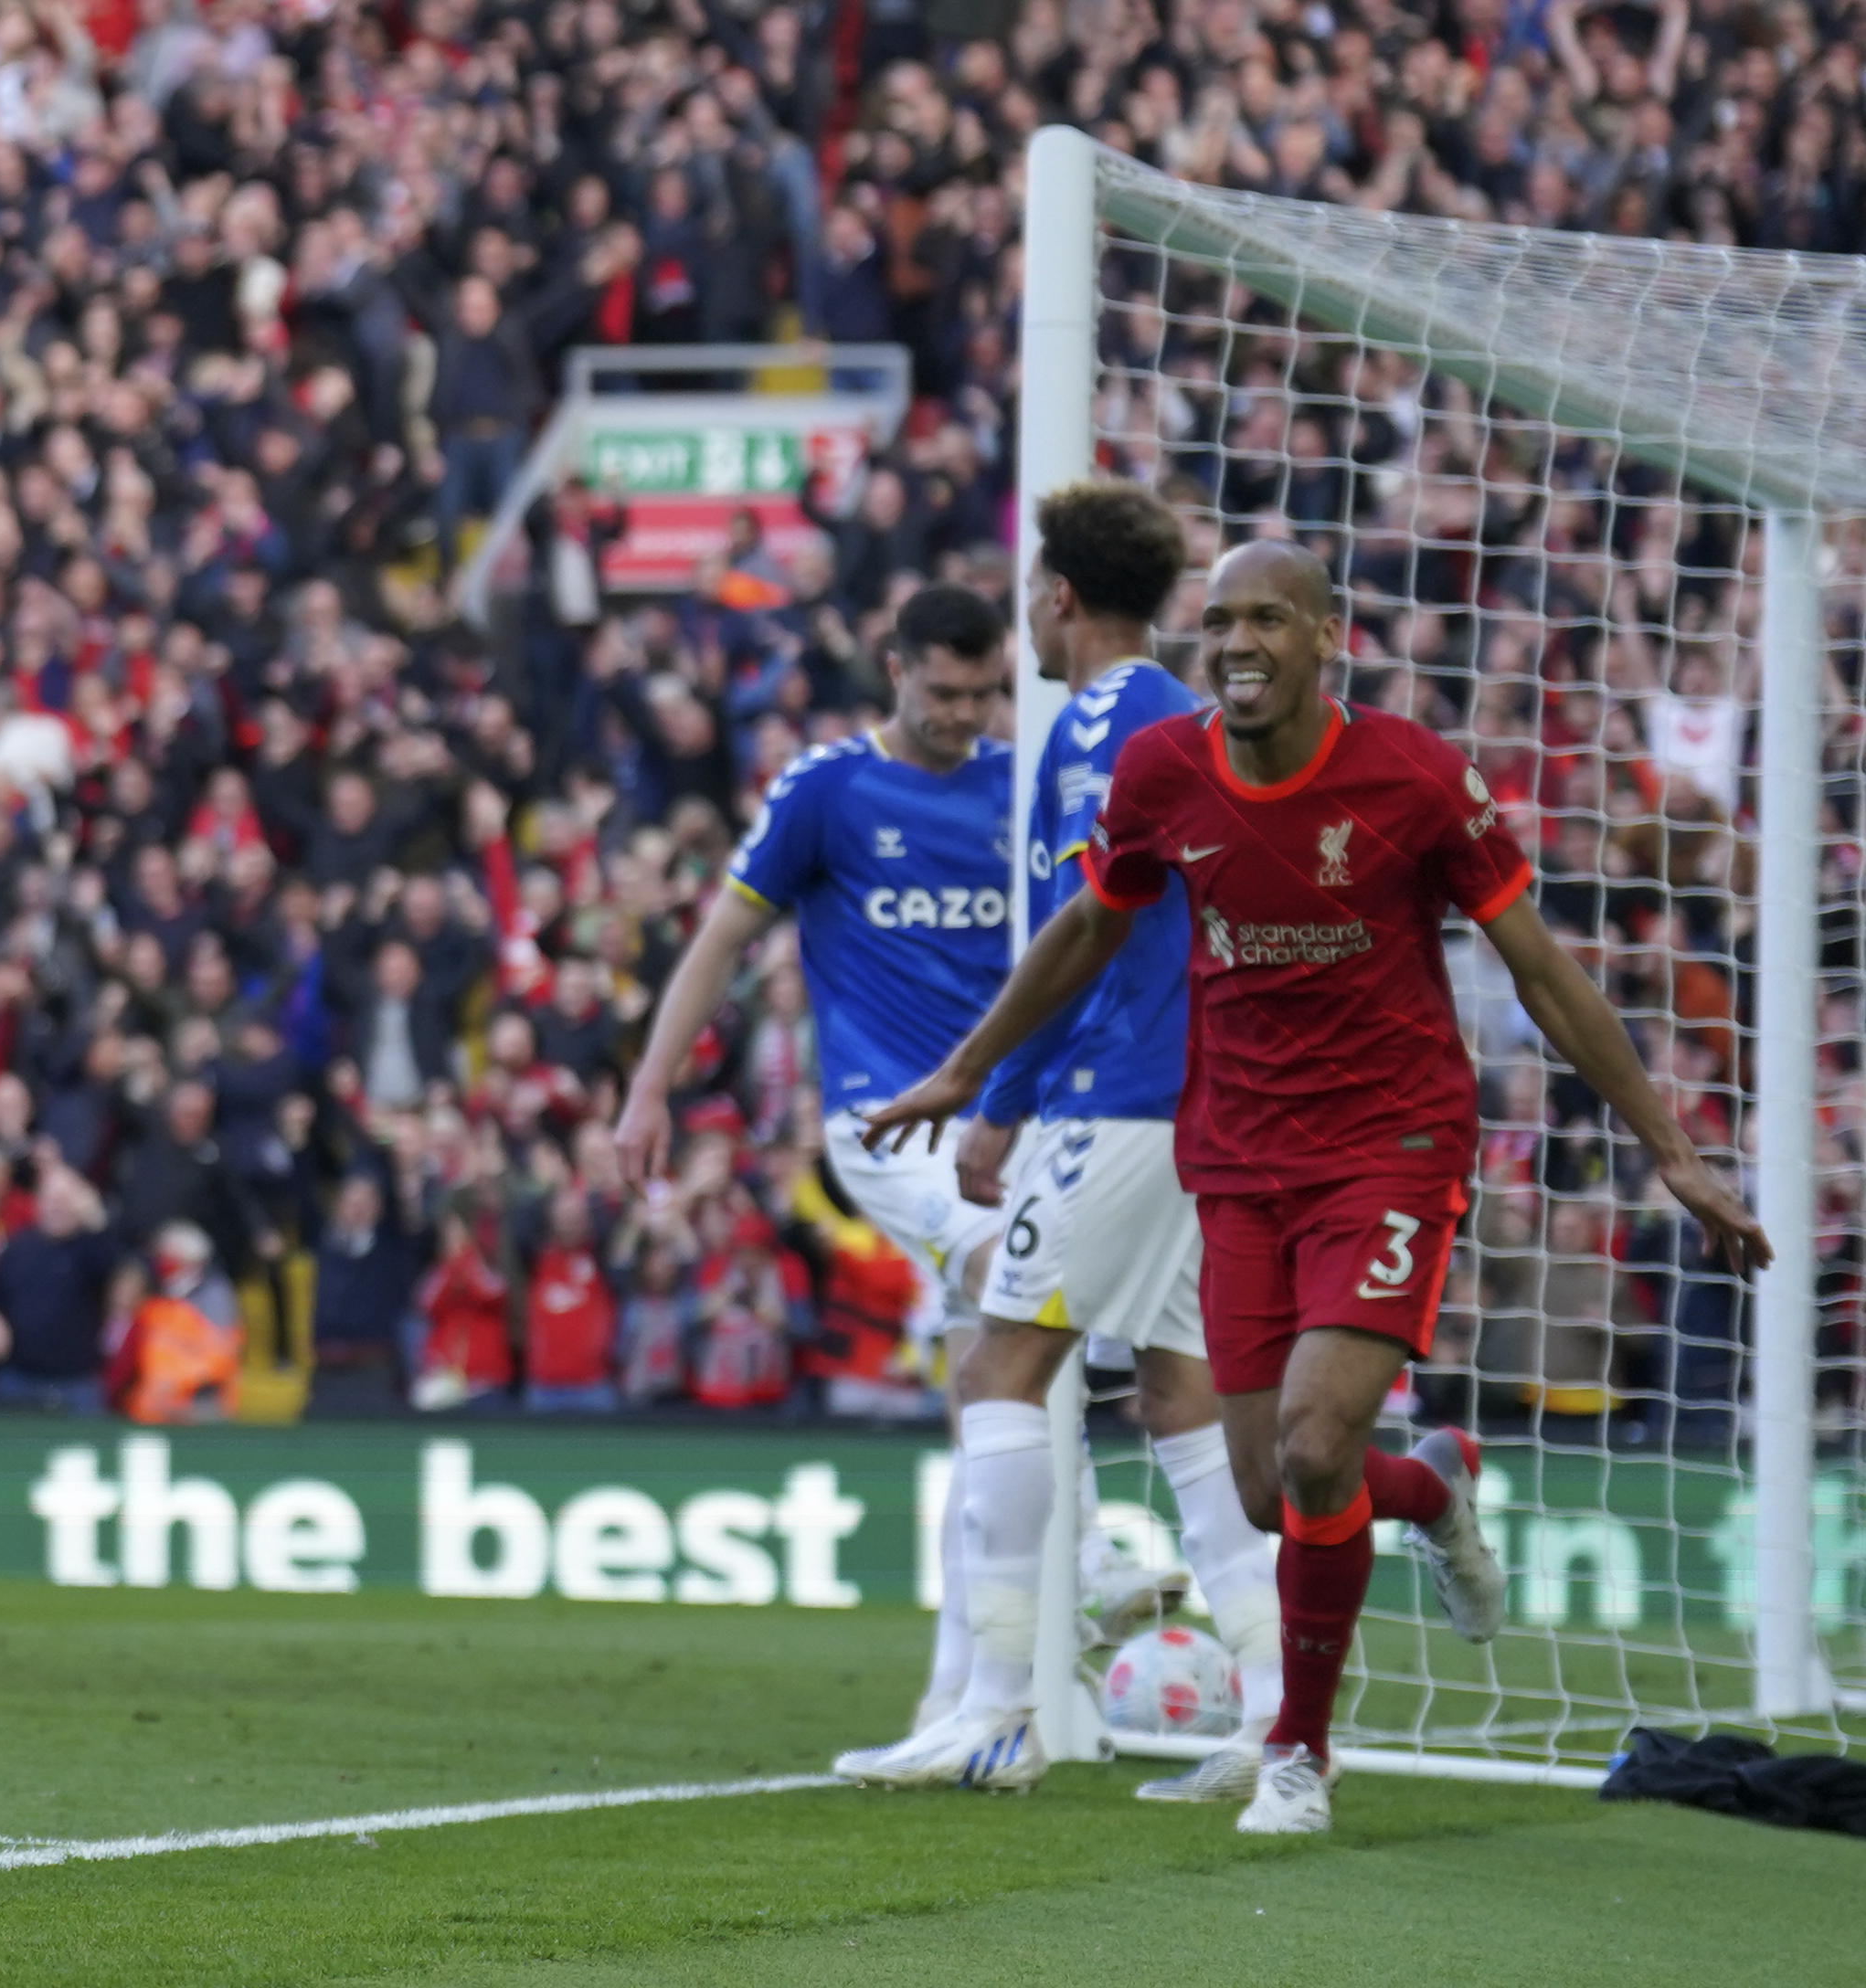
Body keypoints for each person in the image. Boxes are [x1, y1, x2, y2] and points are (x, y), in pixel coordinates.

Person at [864, 540, 1768, 1837]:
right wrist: (969, 1069)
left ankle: (1299, 1751)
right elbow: (1087, 926)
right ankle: (1436, 1487)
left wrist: (1670, 1148)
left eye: (1269, 620)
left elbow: (1544, 972)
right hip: (1235, 1158)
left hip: (1391, 1146)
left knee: (1309, 1439)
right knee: (1268, 1492)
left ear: (1327, 637)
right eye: (1221, 620)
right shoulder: (1163, 769)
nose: (1238, 643)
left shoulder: (1411, 778)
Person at [866, 481, 1283, 1797]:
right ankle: (1278, 1715)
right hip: (1205, 1100)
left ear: (1056, 596)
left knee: (997, 1370)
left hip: (1118, 1094)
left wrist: (995, 1095)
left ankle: (997, 1711)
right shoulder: (1187, 712)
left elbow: (1085, 931)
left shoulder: (1102, 722)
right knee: (1180, 1399)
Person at [616, 583, 1013, 1757]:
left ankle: (957, 1702)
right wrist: (649, 1086)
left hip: (1005, 1122)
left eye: (982, 692)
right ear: (894, 669)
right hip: (885, 1126)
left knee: (989, 1387)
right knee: (1011, 1292)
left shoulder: (1017, 785)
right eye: (942, 691)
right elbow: (722, 939)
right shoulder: (827, 789)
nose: (961, 713)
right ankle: (1084, 1566)